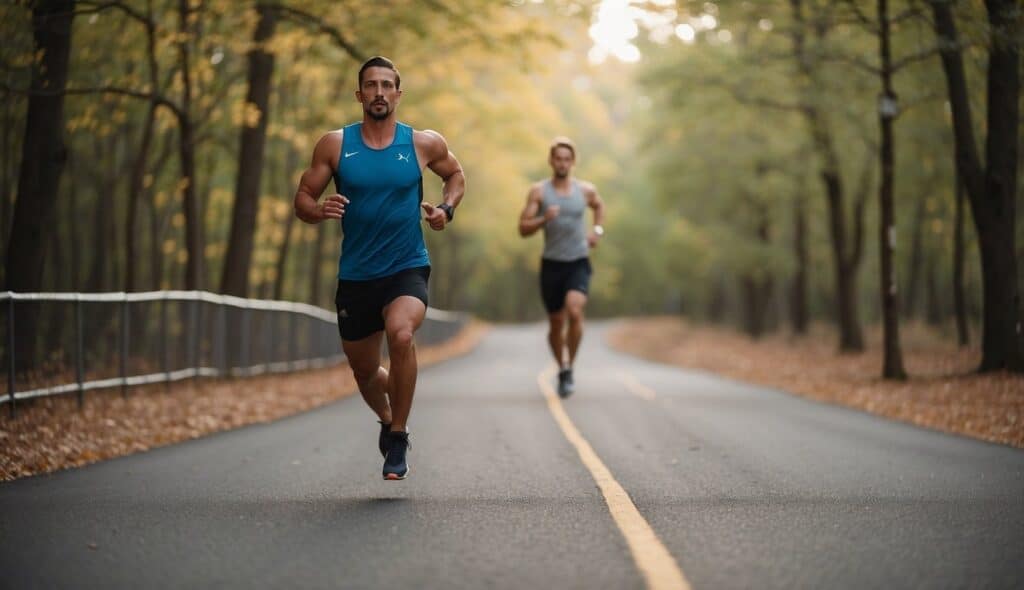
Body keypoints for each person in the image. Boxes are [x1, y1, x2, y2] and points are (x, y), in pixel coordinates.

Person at [294, 56, 464, 480]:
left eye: (387, 85)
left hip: (407, 266)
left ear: (399, 94)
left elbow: (456, 175)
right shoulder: (334, 145)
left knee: (402, 334)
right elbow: (302, 197)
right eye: (371, 85)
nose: (380, 92)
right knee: (365, 371)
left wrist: (446, 208)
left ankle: (400, 437)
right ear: (360, 95)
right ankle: (389, 419)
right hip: (356, 274)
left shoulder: (422, 143)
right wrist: (317, 210)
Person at [518, 136, 605, 398]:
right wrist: (544, 218)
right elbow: (523, 228)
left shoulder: (586, 191)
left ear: (573, 162)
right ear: (551, 161)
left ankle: (570, 368)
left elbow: (599, 206)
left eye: (567, 159)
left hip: (578, 261)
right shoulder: (540, 192)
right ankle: (563, 366)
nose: (563, 163)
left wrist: (597, 231)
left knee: (575, 312)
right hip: (552, 265)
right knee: (556, 323)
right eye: (558, 158)